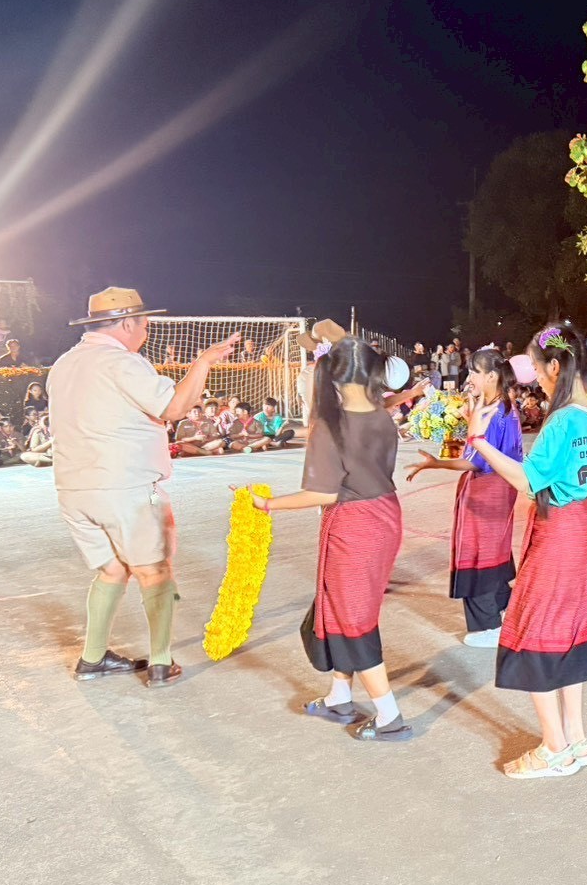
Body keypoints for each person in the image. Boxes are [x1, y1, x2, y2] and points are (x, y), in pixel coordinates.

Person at [48, 287, 239, 687]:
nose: (147, 332)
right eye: (145, 324)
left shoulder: (64, 364)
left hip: (74, 490)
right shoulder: (122, 363)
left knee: (112, 570)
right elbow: (174, 408)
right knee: (155, 571)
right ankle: (161, 662)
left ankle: (93, 659)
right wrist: (203, 362)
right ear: (126, 323)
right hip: (125, 489)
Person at [244, 337, 411, 741]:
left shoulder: (330, 427)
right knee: (341, 606)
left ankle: (389, 716)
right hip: (385, 516)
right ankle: (340, 695)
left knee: (352, 617)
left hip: (355, 526)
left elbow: (323, 493)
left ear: (331, 377)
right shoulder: (382, 415)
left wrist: (266, 504)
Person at [468, 323, 587, 778]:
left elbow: (528, 481)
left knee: (536, 630)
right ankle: (576, 740)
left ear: (555, 366)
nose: (536, 379)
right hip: (580, 526)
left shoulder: (562, 419)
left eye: (538, 368)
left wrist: (478, 440)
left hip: (558, 533)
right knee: (568, 628)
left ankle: (554, 748)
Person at [406, 347, 523, 646]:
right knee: (493, 550)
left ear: (492, 376)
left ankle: (489, 626)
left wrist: (436, 463)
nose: (470, 378)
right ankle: (504, 607)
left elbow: (475, 461)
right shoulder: (503, 407)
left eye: (474, 372)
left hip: (487, 489)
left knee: (478, 553)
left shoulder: (492, 413)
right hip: (501, 487)